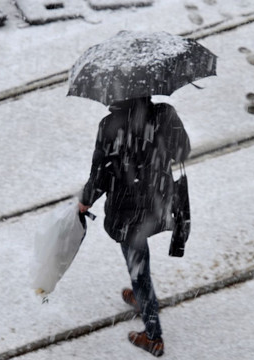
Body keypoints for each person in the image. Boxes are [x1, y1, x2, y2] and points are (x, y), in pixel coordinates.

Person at [78, 96, 190, 357]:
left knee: (139, 269)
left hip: (126, 212)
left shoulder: (110, 125)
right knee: (139, 264)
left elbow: (100, 175)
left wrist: (85, 202)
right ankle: (144, 299)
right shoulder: (165, 113)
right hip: (157, 202)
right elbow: (183, 151)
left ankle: (154, 337)